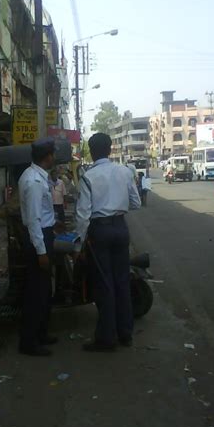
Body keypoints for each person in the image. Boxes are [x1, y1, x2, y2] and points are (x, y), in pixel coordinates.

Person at [75, 133, 141, 352]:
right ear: (111, 150)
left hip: (99, 231)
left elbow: (83, 214)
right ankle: (126, 334)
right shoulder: (125, 172)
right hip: (121, 229)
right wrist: (116, 205)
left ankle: (106, 338)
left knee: (104, 284)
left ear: (91, 153)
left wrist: (79, 244)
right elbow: (136, 202)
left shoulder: (88, 176)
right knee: (122, 282)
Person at [18, 137, 58, 356]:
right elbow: (34, 219)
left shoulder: (36, 176)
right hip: (38, 238)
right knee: (37, 292)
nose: (54, 157)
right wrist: (41, 252)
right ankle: (29, 342)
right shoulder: (34, 181)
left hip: (43, 234)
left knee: (44, 290)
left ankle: (41, 334)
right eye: (52, 154)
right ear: (47, 157)